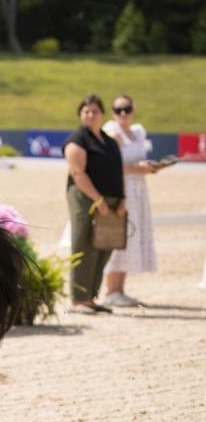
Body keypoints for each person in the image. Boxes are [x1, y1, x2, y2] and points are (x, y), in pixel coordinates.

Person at [64, 94, 125, 313]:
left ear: (102, 114)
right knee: (84, 243)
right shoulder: (77, 140)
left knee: (104, 246)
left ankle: (91, 298)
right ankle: (78, 300)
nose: (90, 115)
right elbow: (78, 173)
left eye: (95, 111)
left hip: (111, 200)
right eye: (86, 111)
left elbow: (118, 173)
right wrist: (98, 201)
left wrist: (122, 200)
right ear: (80, 114)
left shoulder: (109, 142)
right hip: (85, 198)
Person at [101, 94, 160, 306]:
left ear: (133, 108)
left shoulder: (138, 132)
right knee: (119, 235)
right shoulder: (111, 131)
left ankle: (120, 289)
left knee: (132, 236)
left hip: (138, 189)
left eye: (126, 108)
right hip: (121, 187)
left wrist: (150, 167)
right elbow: (111, 165)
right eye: (118, 110)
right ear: (112, 113)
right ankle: (111, 290)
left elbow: (136, 159)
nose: (123, 114)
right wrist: (138, 169)